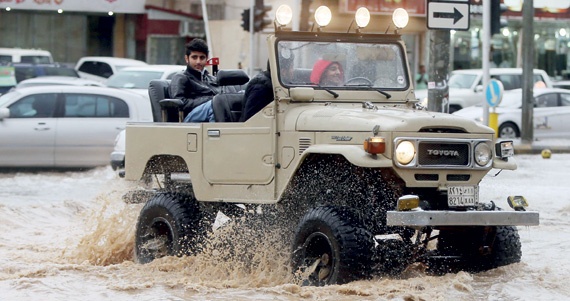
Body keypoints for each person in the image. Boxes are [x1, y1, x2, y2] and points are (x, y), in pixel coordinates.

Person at [169, 38, 219, 122]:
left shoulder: (211, 78)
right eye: (194, 57)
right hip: (188, 117)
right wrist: (210, 99)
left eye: (202, 57)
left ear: (206, 59)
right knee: (214, 105)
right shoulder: (181, 77)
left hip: (208, 112)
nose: (198, 61)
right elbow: (179, 103)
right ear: (187, 58)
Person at [241, 56, 293, 121]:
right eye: (291, 67)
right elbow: (251, 120)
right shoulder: (261, 88)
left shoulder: (279, 85)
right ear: (283, 72)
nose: (292, 71)